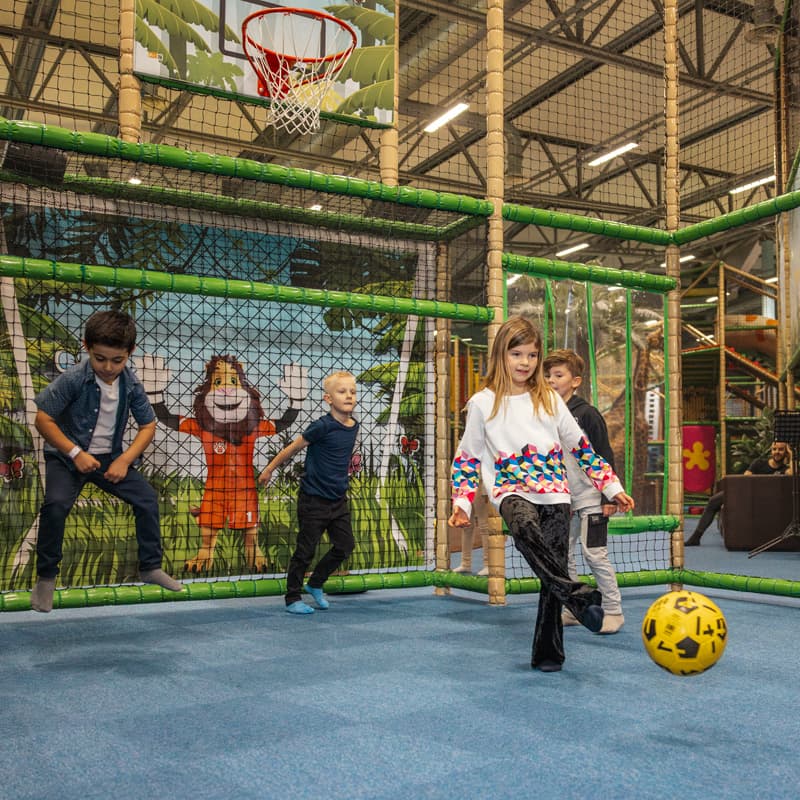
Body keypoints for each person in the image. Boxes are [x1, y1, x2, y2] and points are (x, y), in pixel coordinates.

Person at [449, 316, 634, 673]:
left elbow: (582, 449)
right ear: (500, 355)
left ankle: (549, 654)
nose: (525, 363)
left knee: (553, 574)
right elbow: (467, 457)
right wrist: (462, 502)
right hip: (511, 491)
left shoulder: (549, 398)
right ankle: (579, 598)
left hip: (557, 495)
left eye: (532, 355)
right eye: (516, 354)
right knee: (524, 530)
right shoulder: (483, 403)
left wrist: (612, 487)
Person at [30, 310, 182, 613]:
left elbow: (148, 425)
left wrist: (125, 459)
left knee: (147, 499)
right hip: (67, 457)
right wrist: (75, 453)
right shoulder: (74, 379)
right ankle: (46, 577)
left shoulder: (131, 384)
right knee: (56, 505)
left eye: (117, 360)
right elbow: (43, 420)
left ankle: (150, 566)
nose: (108, 367)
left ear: (130, 353)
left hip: (109, 458)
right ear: (87, 347)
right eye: (100, 359)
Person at [258, 370, 358, 614]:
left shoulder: (354, 426)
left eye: (353, 392)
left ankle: (315, 583)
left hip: (338, 500)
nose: (349, 396)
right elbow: (292, 448)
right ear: (328, 399)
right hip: (313, 500)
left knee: (345, 546)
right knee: (305, 551)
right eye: (342, 392)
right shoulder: (321, 426)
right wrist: (269, 469)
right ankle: (292, 597)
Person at [543, 349, 625, 635]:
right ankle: (574, 608)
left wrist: (608, 496)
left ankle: (613, 610)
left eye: (558, 375)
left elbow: (603, 454)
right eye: (547, 376)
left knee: (595, 554)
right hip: (563, 499)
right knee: (564, 555)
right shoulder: (547, 415)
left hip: (592, 499)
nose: (551, 380)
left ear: (575, 381)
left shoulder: (587, 414)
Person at [685, 440, 792, 546]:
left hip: (765, 502)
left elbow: (792, 474)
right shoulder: (759, 463)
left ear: (786, 452)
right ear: (771, 450)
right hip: (747, 495)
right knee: (713, 501)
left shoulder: (785, 469)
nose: (777, 452)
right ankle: (696, 537)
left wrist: (791, 455)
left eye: (781, 449)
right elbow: (745, 478)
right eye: (774, 449)